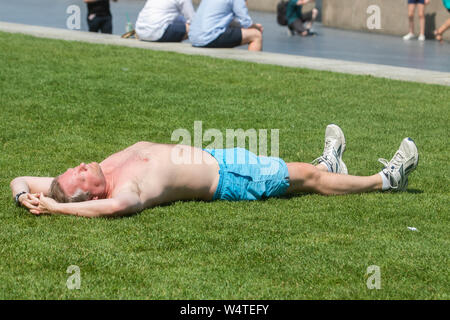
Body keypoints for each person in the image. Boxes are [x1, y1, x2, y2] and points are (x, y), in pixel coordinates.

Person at [10, 125, 419, 218]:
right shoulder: (126, 190)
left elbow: (21, 180)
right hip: (231, 178)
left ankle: (330, 163)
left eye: (72, 169)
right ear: (91, 193)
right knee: (305, 180)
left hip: (217, 155)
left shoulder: (97, 173)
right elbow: (113, 210)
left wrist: (24, 195)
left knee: (299, 173)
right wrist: (56, 210)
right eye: (78, 175)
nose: (80, 166)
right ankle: (386, 180)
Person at [188, 0, 264, 51]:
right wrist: (257, 27)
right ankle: (252, 68)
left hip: (194, 38)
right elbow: (246, 22)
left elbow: (222, 20)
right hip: (208, 37)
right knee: (256, 35)